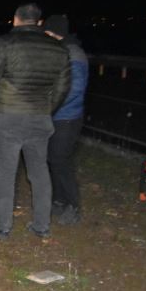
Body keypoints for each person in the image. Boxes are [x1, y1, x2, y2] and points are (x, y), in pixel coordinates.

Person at [0, 3, 70, 239]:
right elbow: (62, 89)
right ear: (39, 22)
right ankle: (41, 225)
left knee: (6, 173)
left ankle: (2, 227)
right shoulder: (59, 49)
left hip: (7, 116)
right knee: (39, 172)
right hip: (39, 118)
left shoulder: (4, 43)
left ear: (15, 19)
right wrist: (46, 110)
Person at [43, 14, 88, 225]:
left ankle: (73, 205)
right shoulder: (60, 51)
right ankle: (59, 200)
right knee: (53, 159)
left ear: (55, 33)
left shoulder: (74, 53)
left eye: (46, 33)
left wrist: (49, 106)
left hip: (67, 118)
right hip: (55, 115)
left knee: (61, 161)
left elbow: (74, 89)